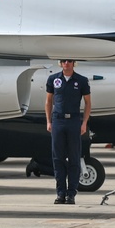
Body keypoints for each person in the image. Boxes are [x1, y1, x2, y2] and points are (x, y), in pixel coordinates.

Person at [45, 59, 91, 205]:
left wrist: (84, 122)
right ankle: (60, 193)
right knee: (57, 158)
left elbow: (88, 102)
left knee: (74, 157)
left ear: (73, 63)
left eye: (69, 61)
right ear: (60, 63)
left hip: (73, 120)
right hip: (58, 120)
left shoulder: (81, 80)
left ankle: (71, 193)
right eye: (64, 61)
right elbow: (48, 101)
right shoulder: (53, 79)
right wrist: (48, 121)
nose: (66, 63)